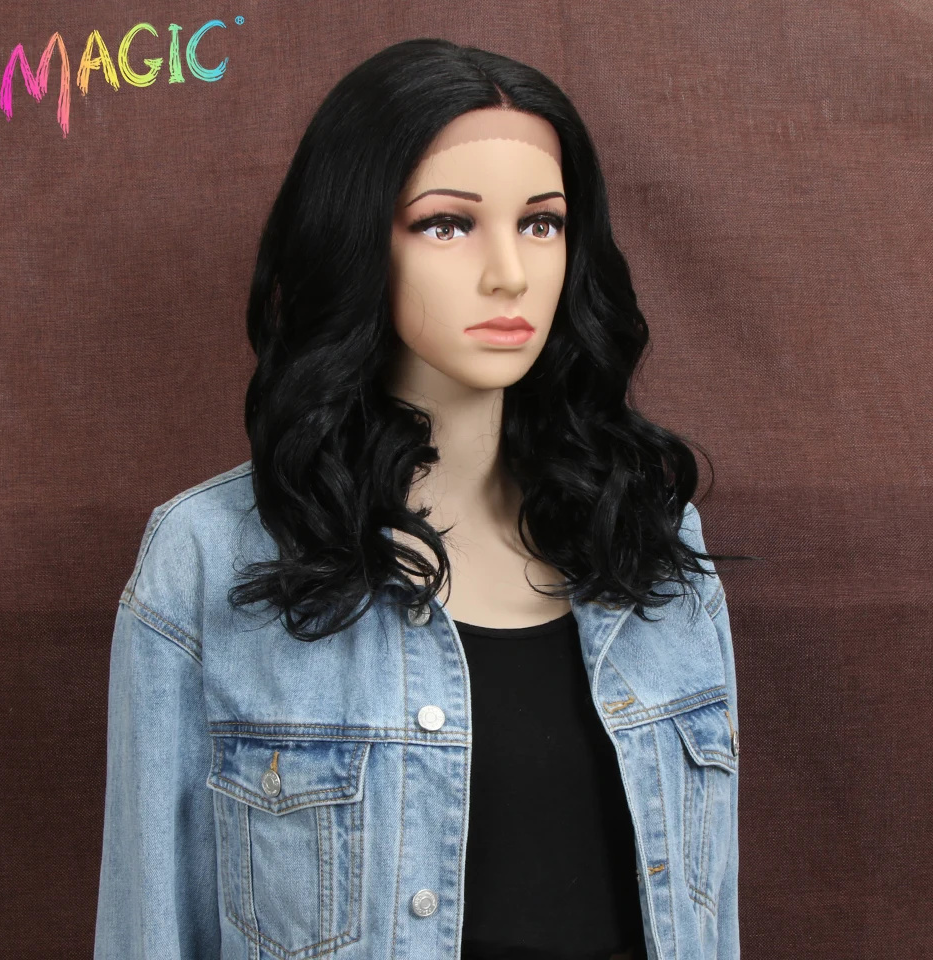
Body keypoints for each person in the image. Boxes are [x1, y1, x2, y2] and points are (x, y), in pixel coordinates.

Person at [94, 37, 740, 960]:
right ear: (356, 239)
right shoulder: (209, 561)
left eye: (541, 224)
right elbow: (147, 932)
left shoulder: (656, 550)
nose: (508, 271)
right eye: (447, 224)